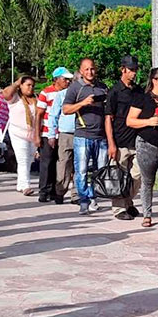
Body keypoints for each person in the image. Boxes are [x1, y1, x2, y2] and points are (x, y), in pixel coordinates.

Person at [126, 67, 158, 228]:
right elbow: (130, 121)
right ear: (154, 80)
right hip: (147, 144)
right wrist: (148, 121)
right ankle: (147, 214)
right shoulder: (142, 99)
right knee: (147, 182)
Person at [62, 58, 110, 215]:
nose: (90, 72)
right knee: (81, 170)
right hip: (83, 135)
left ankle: (94, 196)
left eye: (93, 69)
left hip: (101, 135)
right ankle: (83, 200)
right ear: (81, 71)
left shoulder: (103, 87)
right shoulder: (75, 88)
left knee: (101, 170)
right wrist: (83, 103)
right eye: (87, 69)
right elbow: (66, 109)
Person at [105, 55, 143, 220]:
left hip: (136, 140)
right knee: (118, 176)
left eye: (135, 69)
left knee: (138, 174)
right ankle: (119, 208)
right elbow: (108, 118)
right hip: (119, 141)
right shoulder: (114, 91)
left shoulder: (138, 91)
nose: (134, 73)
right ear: (123, 69)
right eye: (131, 69)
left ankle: (128, 201)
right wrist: (111, 144)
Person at [35, 67, 73, 202]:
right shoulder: (46, 93)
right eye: (65, 79)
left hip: (62, 133)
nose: (67, 82)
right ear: (56, 79)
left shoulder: (69, 93)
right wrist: (37, 135)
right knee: (47, 162)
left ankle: (55, 191)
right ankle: (44, 191)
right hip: (47, 132)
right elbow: (39, 115)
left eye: (69, 79)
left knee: (61, 163)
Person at [2, 76, 39, 195]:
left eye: (32, 85)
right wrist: (16, 83)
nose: (30, 88)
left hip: (32, 134)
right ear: (21, 86)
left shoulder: (36, 99)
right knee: (22, 159)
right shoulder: (15, 98)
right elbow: (5, 94)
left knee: (29, 160)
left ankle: (20, 184)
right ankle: (26, 186)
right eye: (28, 85)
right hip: (17, 132)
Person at [48, 73, 79, 204]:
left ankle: (76, 194)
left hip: (81, 133)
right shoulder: (62, 95)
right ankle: (60, 191)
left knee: (80, 165)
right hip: (65, 134)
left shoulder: (86, 95)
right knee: (64, 164)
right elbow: (53, 115)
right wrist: (51, 135)